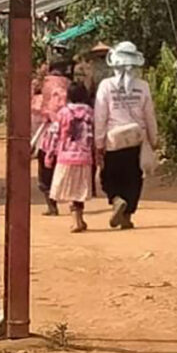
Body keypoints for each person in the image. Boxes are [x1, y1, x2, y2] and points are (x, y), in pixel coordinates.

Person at [94, 41, 158, 230]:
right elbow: (149, 115)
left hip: (113, 140)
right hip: (136, 139)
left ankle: (116, 200)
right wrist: (154, 138)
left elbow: (100, 116)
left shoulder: (106, 86)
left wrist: (99, 142)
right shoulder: (143, 86)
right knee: (133, 178)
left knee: (110, 177)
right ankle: (127, 215)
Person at [47, 82, 95, 233]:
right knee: (79, 190)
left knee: (70, 190)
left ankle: (76, 222)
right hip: (85, 157)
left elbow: (55, 134)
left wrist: (50, 153)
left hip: (66, 157)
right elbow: (94, 134)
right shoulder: (90, 112)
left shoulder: (63, 112)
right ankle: (79, 219)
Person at [33, 65, 70, 216]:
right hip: (65, 132)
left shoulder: (42, 84)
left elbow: (35, 106)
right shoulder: (68, 84)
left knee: (44, 168)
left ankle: (51, 204)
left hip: (47, 132)